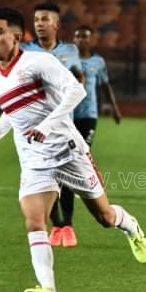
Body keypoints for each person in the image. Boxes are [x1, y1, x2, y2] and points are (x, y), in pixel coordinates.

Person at [0, 7, 146, 292]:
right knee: (34, 221)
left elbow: (76, 91)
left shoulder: (38, 62)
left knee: (105, 218)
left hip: (67, 151)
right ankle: (49, 291)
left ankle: (130, 226)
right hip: (34, 160)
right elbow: (12, 113)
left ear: (16, 36)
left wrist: (46, 126)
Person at [49, 24, 124, 247]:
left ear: (91, 40)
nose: (81, 40)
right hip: (66, 116)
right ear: (74, 39)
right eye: (78, 36)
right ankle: (60, 221)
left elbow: (105, 86)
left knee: (77, 156)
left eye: (85, 37)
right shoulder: (65, 59)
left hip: (88, 115)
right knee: (60, 164)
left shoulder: (97, 62)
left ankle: (68, 218)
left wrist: (114, 108)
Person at [21, 1, 85, 245]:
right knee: (44, 177)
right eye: (36, 19)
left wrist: (72, 92)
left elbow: (78, 77)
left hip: (62, 125)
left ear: (56, 25)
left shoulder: (70, 51)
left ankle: (67, 225)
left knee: (66, 177)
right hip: (34, 127)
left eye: (45, 19)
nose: (39, 24)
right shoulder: (25, 50)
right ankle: (56, 225)